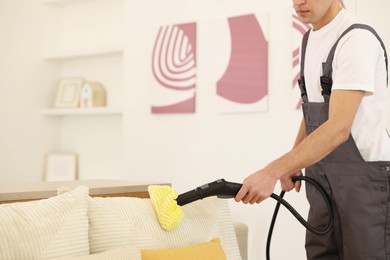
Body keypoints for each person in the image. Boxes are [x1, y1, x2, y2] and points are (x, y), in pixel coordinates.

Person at [235, 0, 390, 259]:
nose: (299, 2)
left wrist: (272, 171)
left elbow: (338, 127)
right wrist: (295, 157)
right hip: (320, 180)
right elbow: (315, 109)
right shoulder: (309, 39)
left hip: (364, 186)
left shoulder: (355, 39)